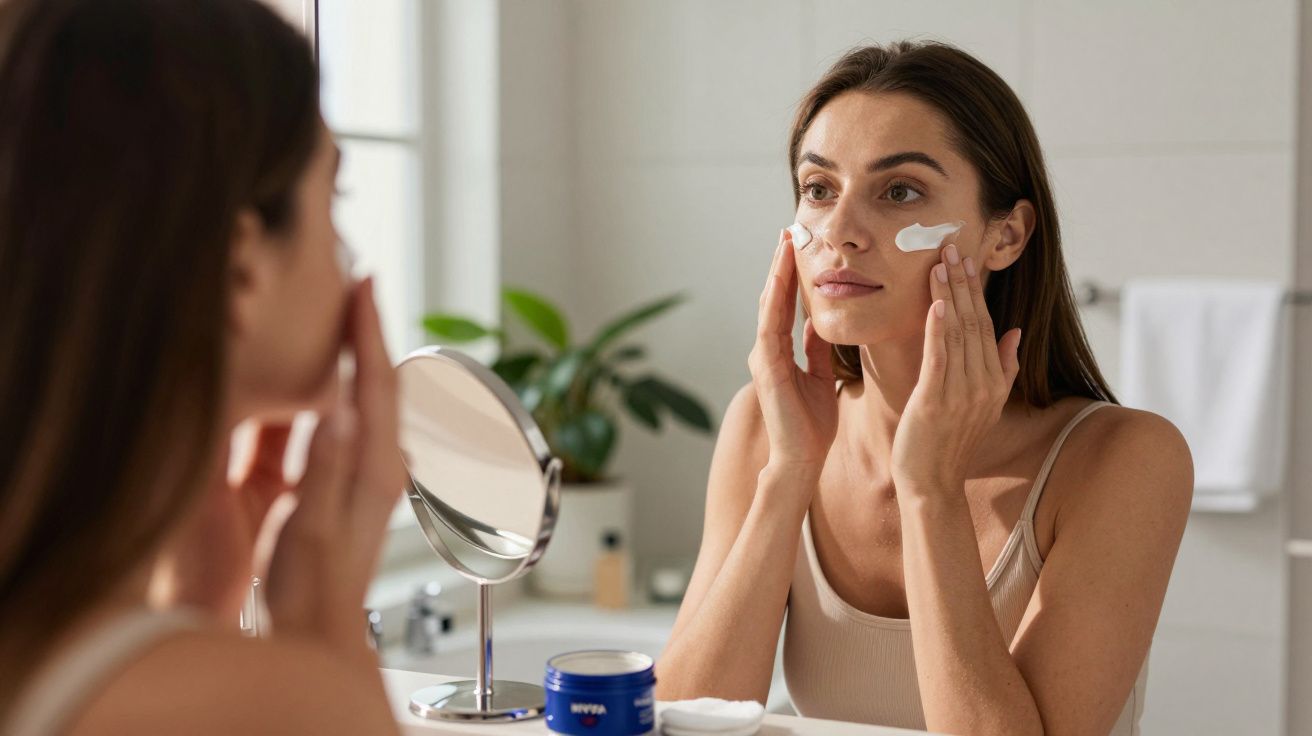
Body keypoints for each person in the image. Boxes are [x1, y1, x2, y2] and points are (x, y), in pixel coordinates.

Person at [655, 42, 1193, 736]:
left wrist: (928, 490)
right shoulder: (765, 426)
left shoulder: (1123, 460)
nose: (839, 233)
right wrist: (789, 473)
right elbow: (678, 721)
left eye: (899, 192)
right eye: (819, 189)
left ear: (1006, 235)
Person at [0, 0, 405, 732]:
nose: (348, 260)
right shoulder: (282, 706)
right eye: (333, 197)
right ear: (241, 266)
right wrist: (325, 628)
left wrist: (193, 614)